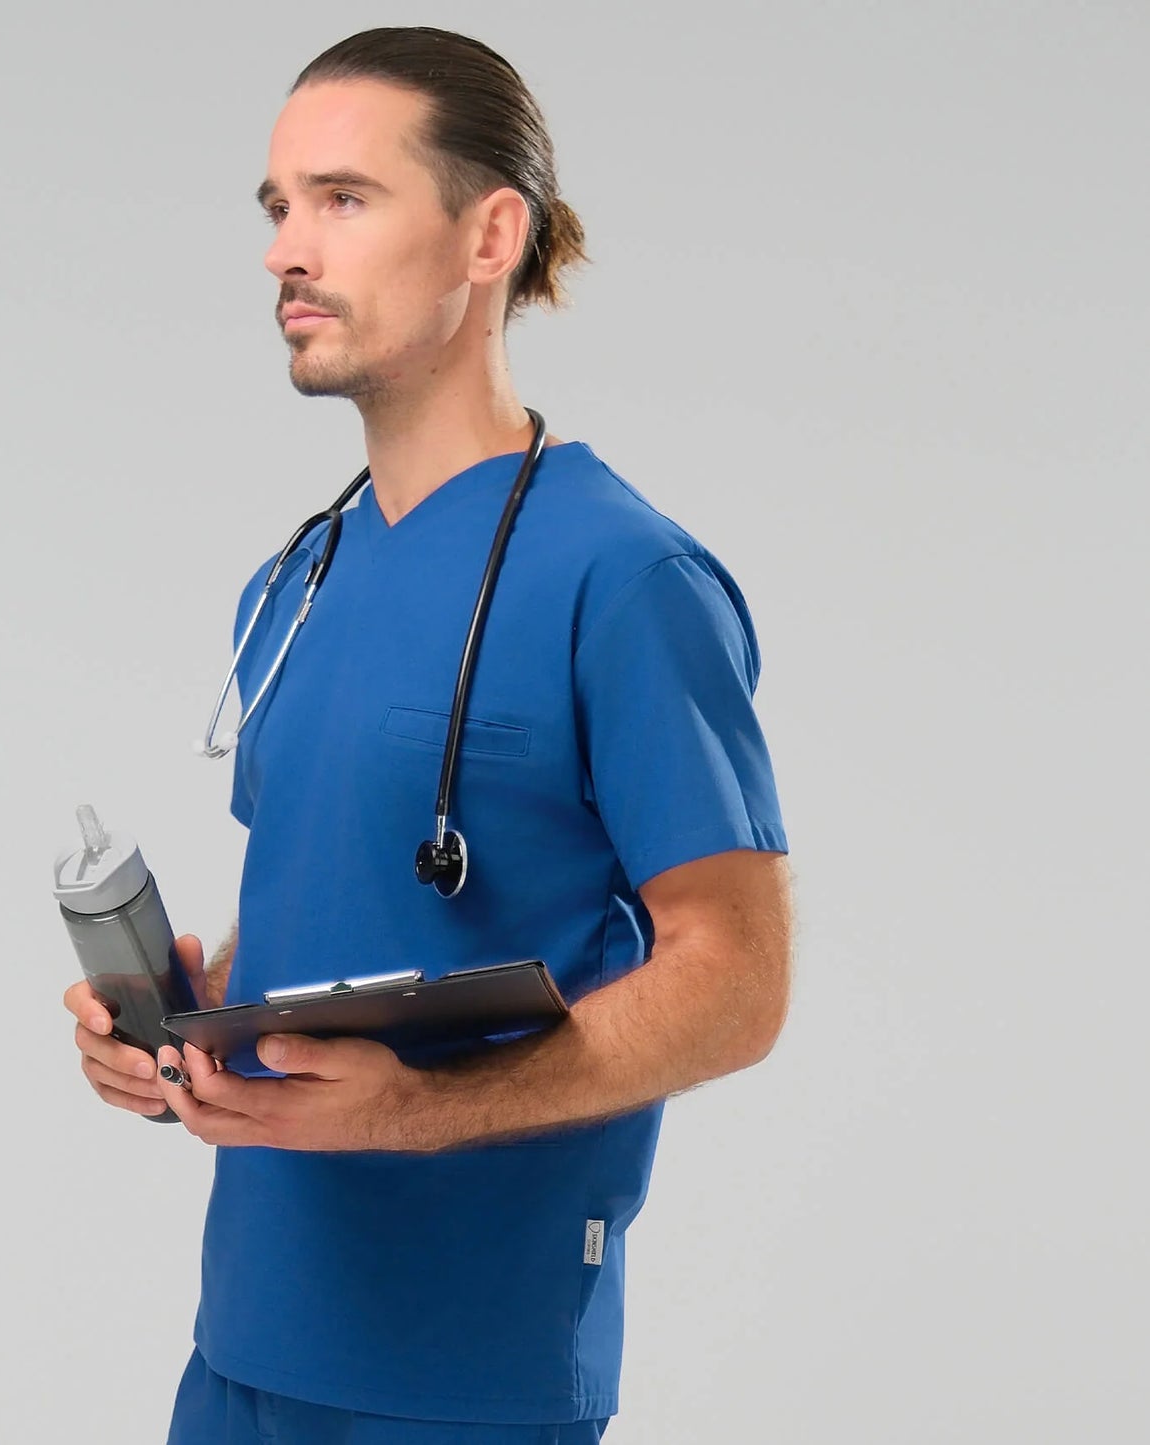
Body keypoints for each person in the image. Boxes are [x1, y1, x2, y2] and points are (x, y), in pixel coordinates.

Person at [63, 25, 793, 1445]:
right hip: (242, 1354)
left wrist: (410, 1111)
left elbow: (737, 978)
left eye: (342, 198)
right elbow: (358, 905)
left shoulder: (624, 578)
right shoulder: (295, 582)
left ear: (488, 235)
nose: (287, 248)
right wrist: (182, 1030)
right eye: (275, 207)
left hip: (463, 1384)